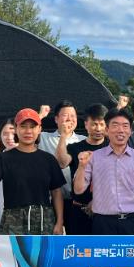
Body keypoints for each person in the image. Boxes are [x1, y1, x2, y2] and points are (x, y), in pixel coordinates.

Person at [0, 108, 65, 236]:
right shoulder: (3, 158)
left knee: (42, 250)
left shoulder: (48, 159)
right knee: (13, 250)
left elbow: (56, 192)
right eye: (23, 126)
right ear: (16, 128)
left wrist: (59, 222)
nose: (28, 131)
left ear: (39, 129)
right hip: (13, 218)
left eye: (33, 127)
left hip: (44, 218)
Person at [74, 108, 134, 235]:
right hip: (103, 222)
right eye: (115, 125)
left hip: (133, 222)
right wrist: (81, 166)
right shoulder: (94, 157)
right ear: (107, 130)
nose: (120, 130)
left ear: (130, 131)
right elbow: (78, 190)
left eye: (125, 126)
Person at [55, 103, 109, 235]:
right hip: (78, 210)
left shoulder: (112, 147)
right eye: (94, 124)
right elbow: (61, 163)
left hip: (106, 212)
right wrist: (63, 136)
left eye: (102, 124)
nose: (98, 128)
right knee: (78, 246)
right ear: (86, 124)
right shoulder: (75, 147)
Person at [38, 100, 86, 235]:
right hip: (50, 200)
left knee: (75, 239)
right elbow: (24, 132)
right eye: (65, 115)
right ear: (56, 119)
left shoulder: (83, 140)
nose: (70, 119)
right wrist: (40, 115)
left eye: (73, 116)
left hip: (76, 201)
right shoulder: (44, 137)